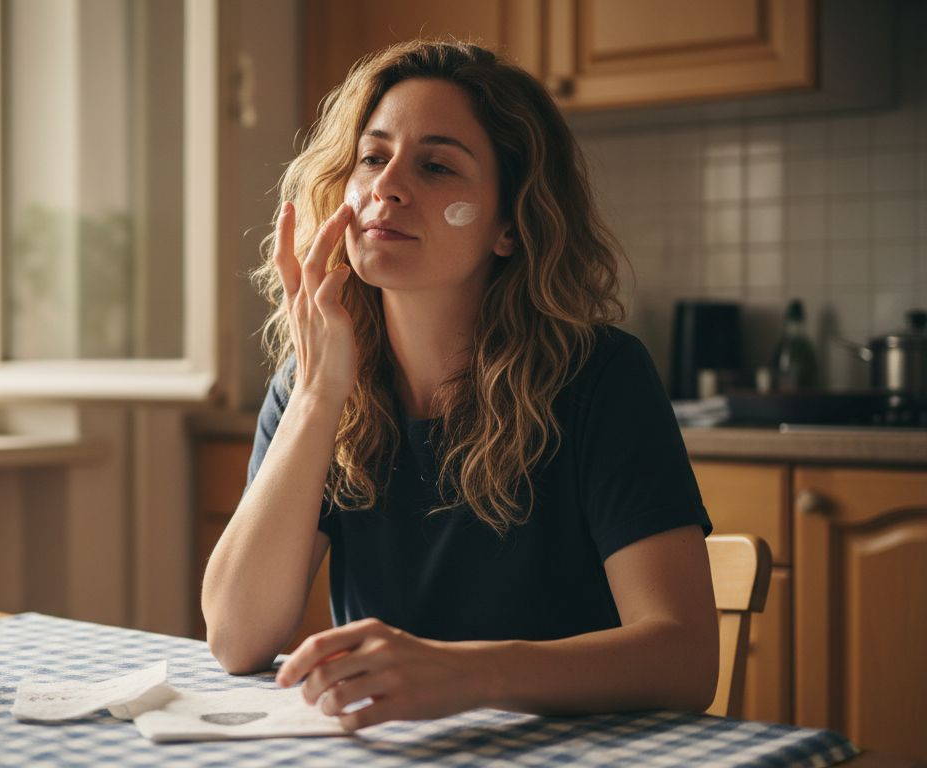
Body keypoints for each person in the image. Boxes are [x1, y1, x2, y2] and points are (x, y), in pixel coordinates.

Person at [200, 39, 718, 731]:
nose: (386, 186)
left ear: (509, 224)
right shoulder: (313, 383)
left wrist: (470, 674)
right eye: (373, 156)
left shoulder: (600, 378)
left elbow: (685, 660)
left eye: (436, 165)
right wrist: (317, 399)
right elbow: (236, 640)